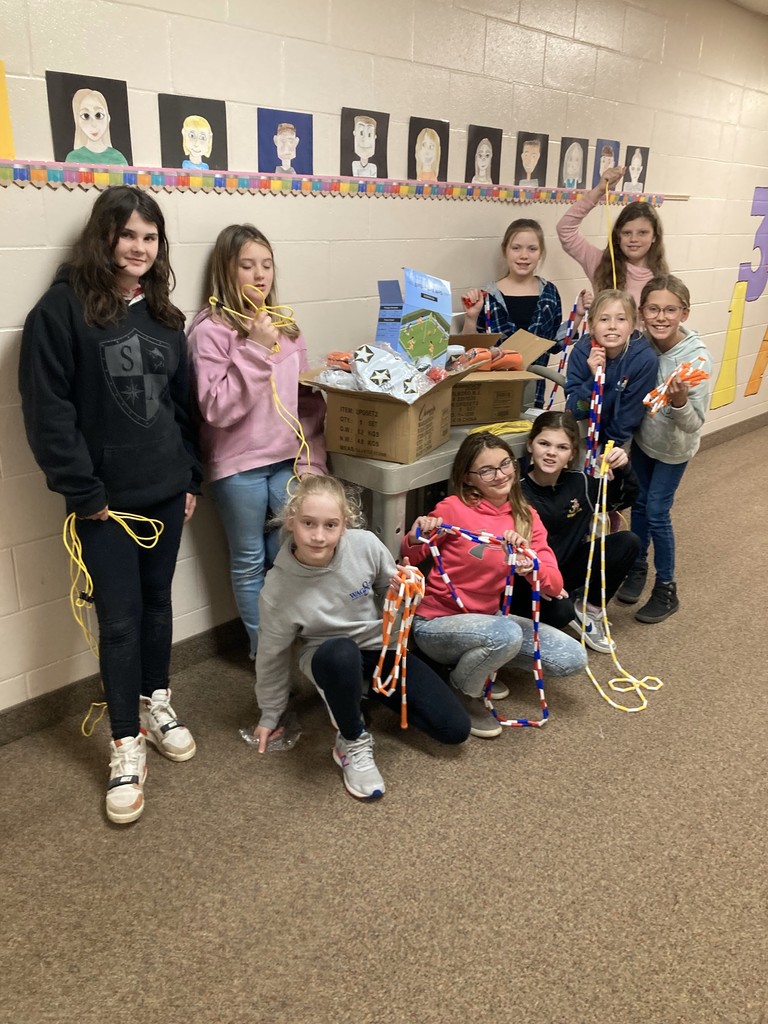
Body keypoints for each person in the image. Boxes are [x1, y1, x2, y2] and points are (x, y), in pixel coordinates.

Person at [18, 186, 202, 825]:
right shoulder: (60, 312)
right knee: (118, 622)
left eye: (150, 238)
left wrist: (190, 479)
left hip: (164, 491)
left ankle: (157, 701)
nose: (139, 248)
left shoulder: (164, 317)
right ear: (103, 237)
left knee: (157, 607)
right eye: (128, 235)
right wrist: (83, 492)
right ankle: (125, 742)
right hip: (103, 507)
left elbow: (183, 409)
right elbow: (49, 414)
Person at [252, 475, 470, 799]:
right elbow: (271, 654)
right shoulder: (277, 589)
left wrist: (403, 589)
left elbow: (389, 595)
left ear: (344, 526)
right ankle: (351, 740)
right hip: (326, 655)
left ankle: (362, 691)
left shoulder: (365, 544)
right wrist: (270, 713)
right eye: (308, 523)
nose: (318, 536)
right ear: (290, 522)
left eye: (330, 525)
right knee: (341, 656)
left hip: (379, 647)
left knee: (454, 730)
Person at [187, 224, 327, 659]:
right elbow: (216, 408)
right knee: (249, 561)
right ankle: (265, 657)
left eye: (266, 265)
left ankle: (295, 644)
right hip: (238, 466)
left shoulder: (286, 326)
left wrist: (312, 463)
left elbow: (306, 405)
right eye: (247, 265)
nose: (259, 275)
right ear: (226, 271)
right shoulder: (209, 331)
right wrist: (253, 347)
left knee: (287, 551)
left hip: (288, 460)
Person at [402, 433, 587, 739]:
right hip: (435, 623)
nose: (501, 475)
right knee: (506, 633)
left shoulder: (526, 518)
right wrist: (416, 534)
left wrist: (531, 565)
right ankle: (463, 689)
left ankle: (477, 664)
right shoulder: (453, 509)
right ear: (468, 478)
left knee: (571, 657)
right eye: (487, 470)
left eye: (505, 464)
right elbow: (411, 555)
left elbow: (554, 586)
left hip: (489, 622)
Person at [617, 275, 712, 623]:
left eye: (670, 310)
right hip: (645, 443)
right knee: (638, 505)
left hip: (675, 449)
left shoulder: (697, 361)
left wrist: (680, 401)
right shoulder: (641, 345)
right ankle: (637, 567)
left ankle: (667, 588)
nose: (661, 317)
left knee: (657, 511)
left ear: (684, 314)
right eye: (653, 309)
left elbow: (692, 423)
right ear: (642, 312)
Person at [517, 411, 640, 653]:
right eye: (544, 443)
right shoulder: (516, 491)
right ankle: (542, 618)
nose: (552, 452)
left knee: (628, 542)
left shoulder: (580, 483)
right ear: (530, 445)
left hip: (566, 570)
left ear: (572, 454)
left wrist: (623, 468)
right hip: (531, 579)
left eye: (562, 447)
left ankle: (590, 610)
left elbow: (623, 498)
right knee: (560, 613)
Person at [461, 218, 562, 408]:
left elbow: (556, 344)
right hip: (495, 393)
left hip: (535, 392)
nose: (524, 255)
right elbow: (472, 353)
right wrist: (471, 316)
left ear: (541, 253)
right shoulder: (488, 297)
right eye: (516, 248)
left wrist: (579, 315)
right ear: (504, 251)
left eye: (532, 249)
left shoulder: (550, 294)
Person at [556, 165, 669, 307]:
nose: (634, 239)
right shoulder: (600, 263)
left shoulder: (661, 279)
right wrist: (599, 191)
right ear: (617, 236)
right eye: (627, 233)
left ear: (654, 237)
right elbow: (565, 229)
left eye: (642, 233)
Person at [565, 289, 658, 449]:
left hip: (619, 438)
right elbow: (574, 410)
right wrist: (593, 379)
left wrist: (608, 449)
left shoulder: (643, 359)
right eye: (604, 319)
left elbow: (630, 415)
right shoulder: (582, 351)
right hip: (583, 432)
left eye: (621, 319)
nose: (612, 326)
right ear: (592, 325)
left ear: (632, 325)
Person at [65, 88, 128, 165]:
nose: (93, 124)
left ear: (108, 118)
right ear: (77, 120)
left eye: (98, 115)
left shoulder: (118, 158)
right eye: (86, 116)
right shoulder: (73, 158)